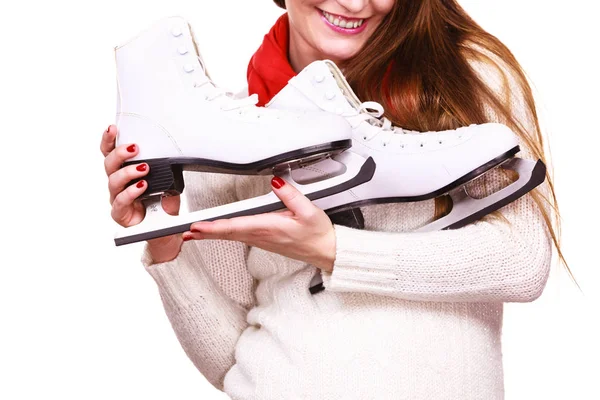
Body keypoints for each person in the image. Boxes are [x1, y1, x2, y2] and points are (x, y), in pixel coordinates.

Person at [100, 0, 571, 398]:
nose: (353, 3)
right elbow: (228, 360)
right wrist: (166, 239)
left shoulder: (462, 79)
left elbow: (521, 263)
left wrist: (331, 250)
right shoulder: (222, 137)